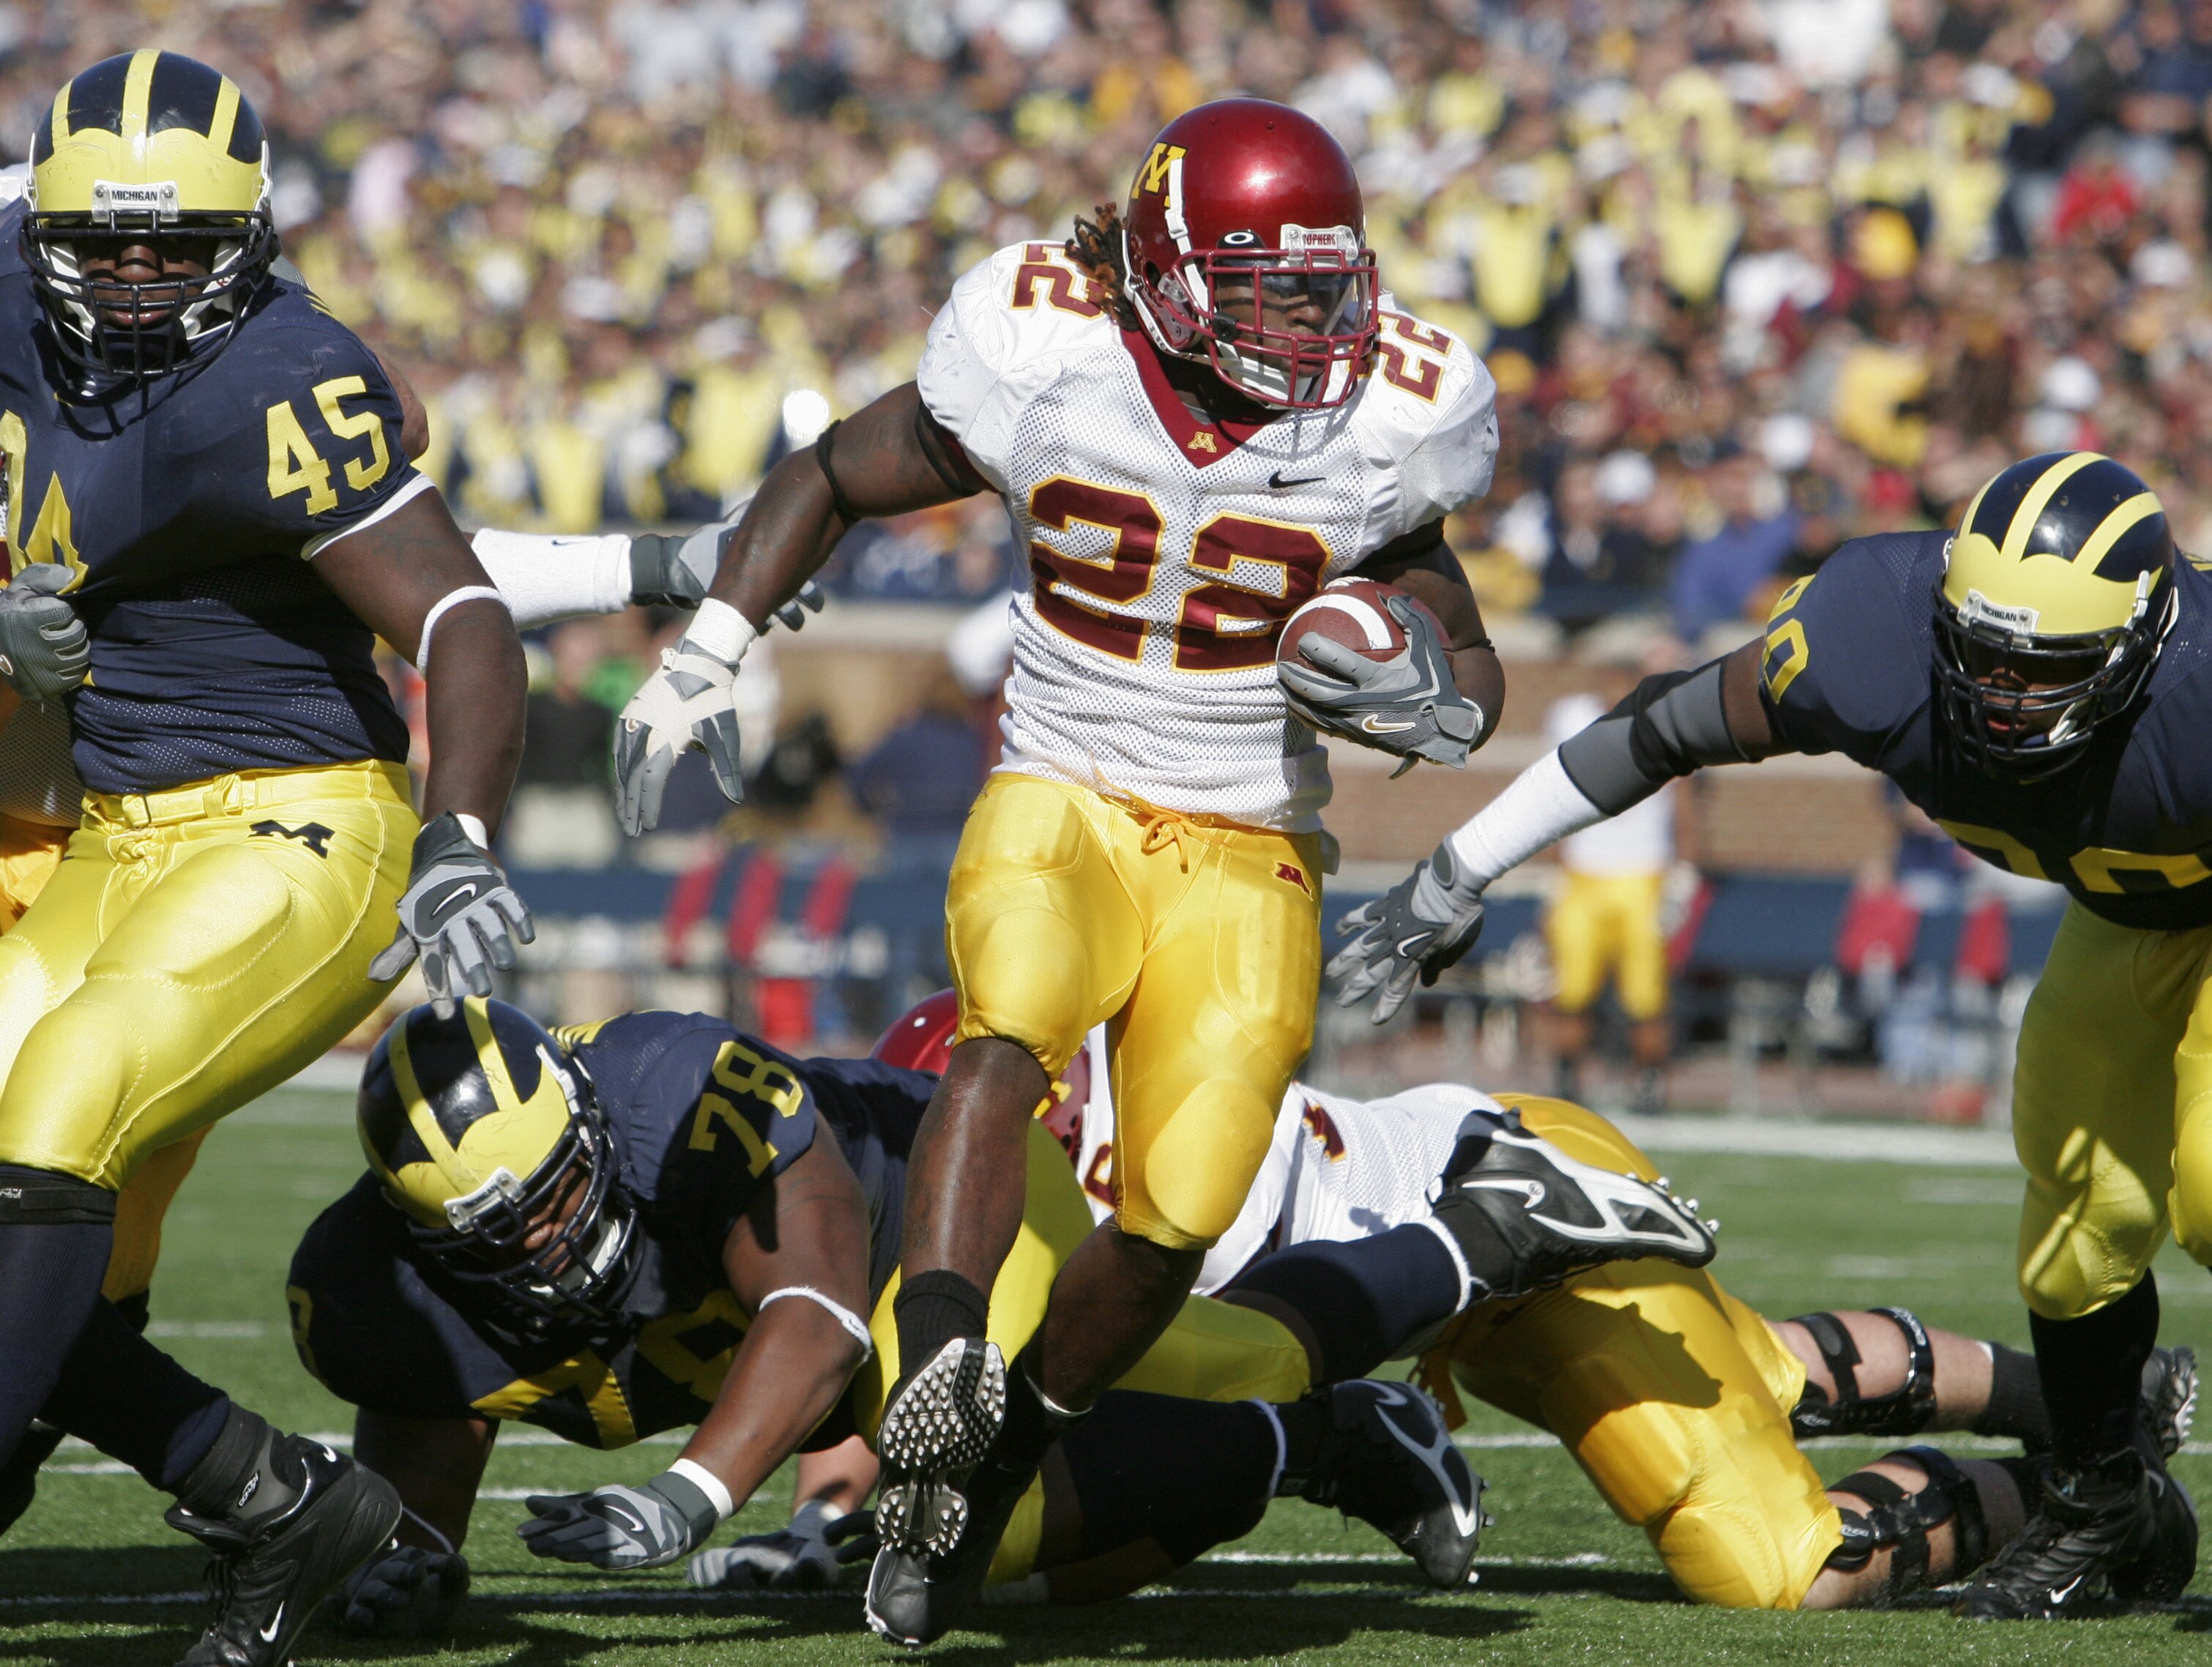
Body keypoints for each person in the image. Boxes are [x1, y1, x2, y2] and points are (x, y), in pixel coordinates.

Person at [607, 97, 1505, 1641]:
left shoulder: (1390, 415)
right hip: (1067, 780)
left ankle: (983, 1462)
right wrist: (707, 650)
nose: (1313, 322)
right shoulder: (1049, 348)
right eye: (1269, 285)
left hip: (1248, 836)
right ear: (1167, 270)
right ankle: (947, 1343)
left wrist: (1439, 700)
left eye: (1327, 282)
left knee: (1180, 1204)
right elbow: (831, 470)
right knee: (1004, 1018)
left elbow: (1467, 647)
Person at [1327, 448, 2212, 1619]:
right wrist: (1459, 867)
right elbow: (1660, 728)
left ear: (2139, 645)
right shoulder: (1871, 631)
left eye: (2037, 669)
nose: (1997, 693)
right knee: (2073, 1236)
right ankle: (2105, 1510)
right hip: (2120, 913)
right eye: (1978, 656)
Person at [706, 991, 2197, 1612]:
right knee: (1762, 1367)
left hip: (1520, 1208)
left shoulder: (1104, 1175)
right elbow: (907, 1391)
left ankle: (2085, 1491)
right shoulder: (1020, 1160)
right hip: (1426, 1247)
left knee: (1776, 1560)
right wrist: (813, 1527)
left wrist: (825, 1517)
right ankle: (2108, 1413)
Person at [285, 999, 1702, 1638]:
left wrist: (691, 1495)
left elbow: (820, 1310)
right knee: (975, 1558)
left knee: (1109, 1422)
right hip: (808, 1340)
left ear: (597, 1128)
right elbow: (427, 1414)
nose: (551, 1233)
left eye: (561, 1190)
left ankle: (1485, 1231)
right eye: (498, 1231)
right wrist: (409, 1561)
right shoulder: (374, 1294)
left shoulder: (679, 1095)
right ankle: (1320, 1439)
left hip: (934, 1221)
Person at [0, 422, 759, 1537]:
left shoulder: (179, 416)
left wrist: (649, 568)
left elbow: (414, 568)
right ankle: (271, 1490)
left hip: (137, 868)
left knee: (68, 1250)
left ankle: (265, 1490)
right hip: (78, 844)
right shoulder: (89, 374)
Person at [1535, 692, 1677, 1111]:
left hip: (1643, 874)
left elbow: (1683, 797)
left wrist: (1684, 868)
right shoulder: (1571, 714)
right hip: (1584, 875)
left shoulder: (1667, 709)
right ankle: (1566, 1079)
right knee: (1572, 990)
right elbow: (1549, 793)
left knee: (1645, 996)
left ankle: (1649, 1083)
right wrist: (1554, 866)